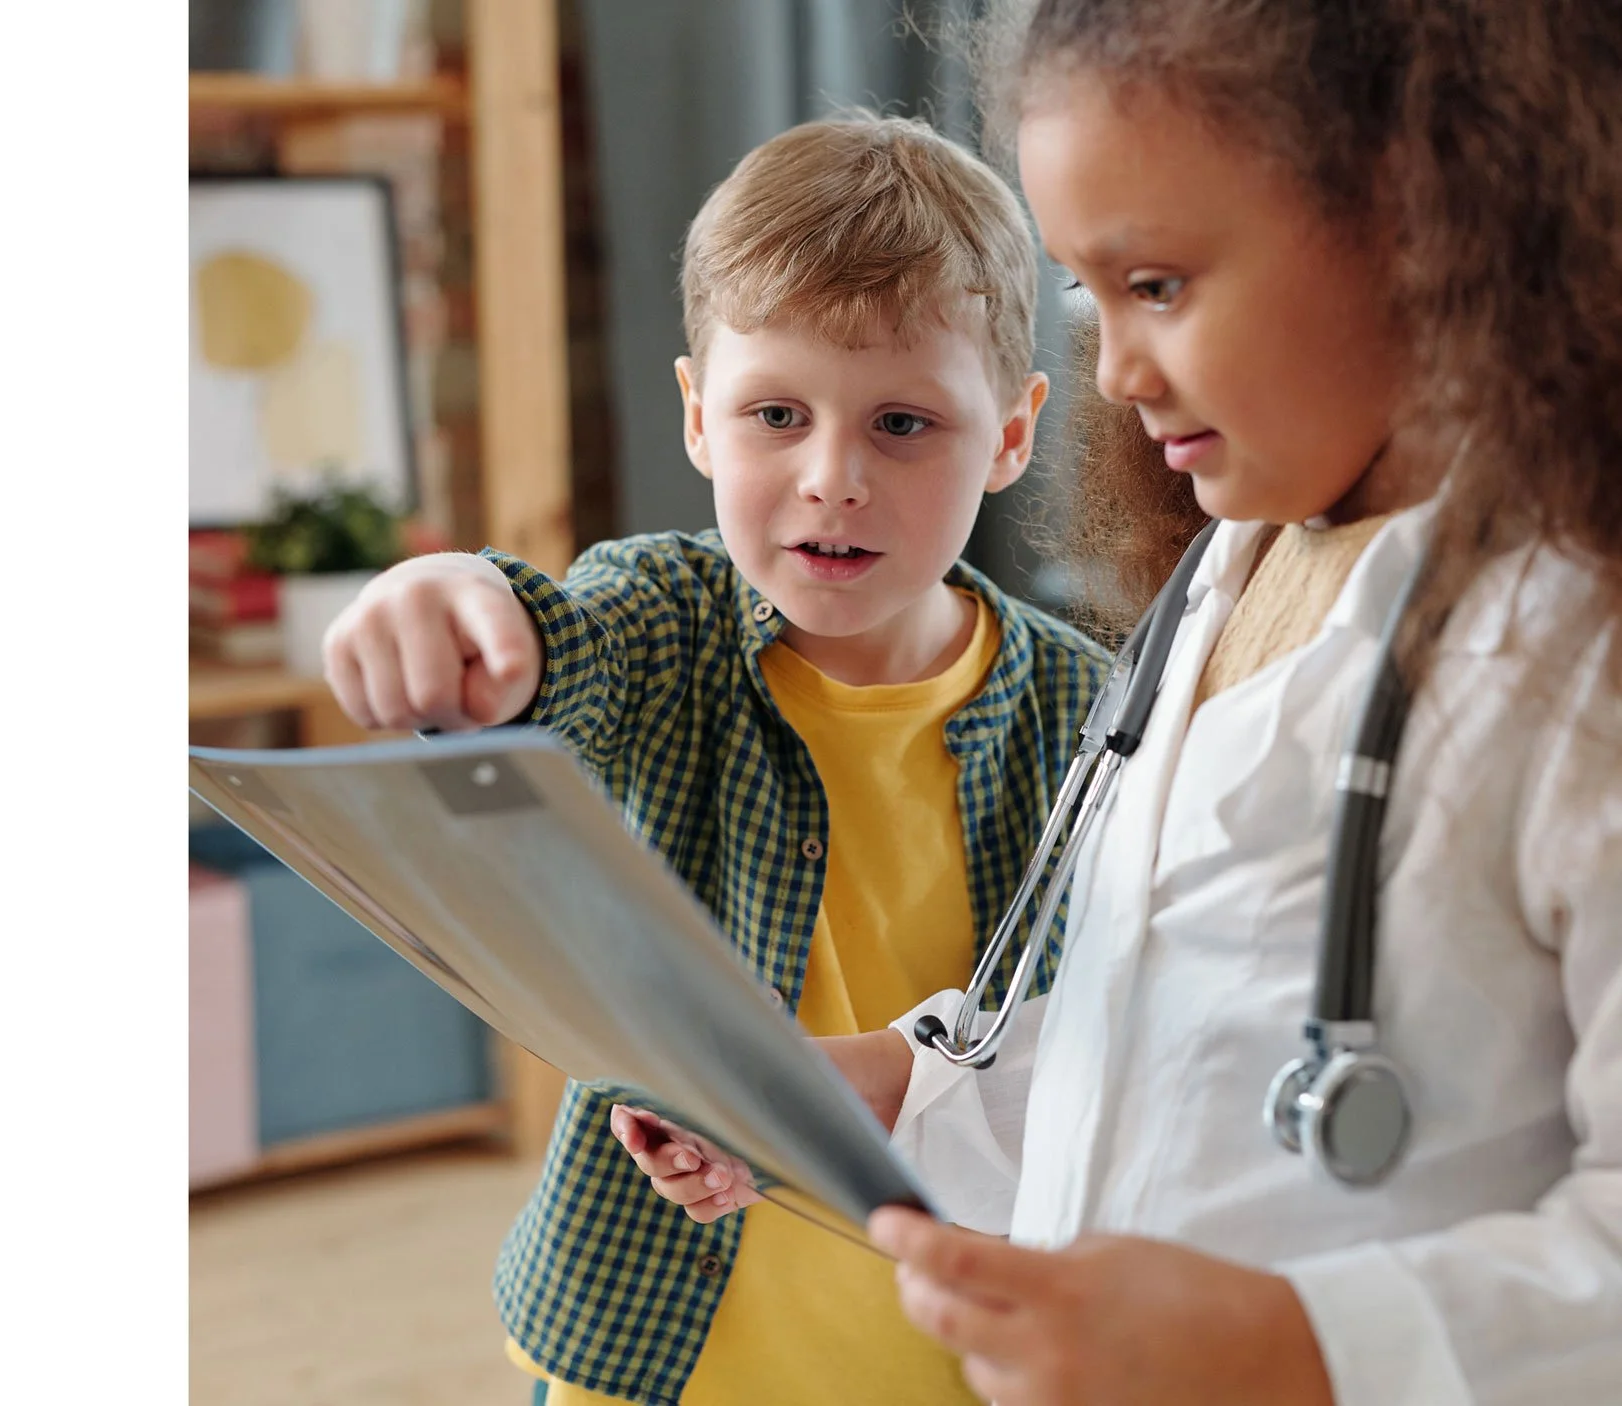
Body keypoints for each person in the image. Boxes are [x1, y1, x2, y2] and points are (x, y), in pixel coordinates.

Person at [626, 2, 1622, 1400]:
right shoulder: (1235, 563)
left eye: (1157, 284)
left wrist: (1296, 1346)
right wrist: (910, 1089)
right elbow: (1175, 1043)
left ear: (1424, 218)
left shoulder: (1580, 653)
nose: (1118, 372)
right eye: (1091, 298)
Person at [322, 114, 1108, 1406]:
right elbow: (560, 644)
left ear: (1013, 433)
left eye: (904, 423)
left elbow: (1075, 1039)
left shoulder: (1085, 710)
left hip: (945, 1349)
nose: (832, 477)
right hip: (654, 1344)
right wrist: (458, 589)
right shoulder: (672, 617)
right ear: (698, 415)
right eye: (776, 415)